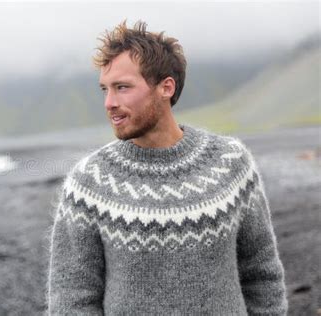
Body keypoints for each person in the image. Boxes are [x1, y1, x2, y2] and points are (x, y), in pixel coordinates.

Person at [47, 20, 288, 315]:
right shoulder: (88, 183)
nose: (109, 102)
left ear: (166, 87)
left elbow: (262, 274)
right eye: (105, 89)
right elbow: (71, 298)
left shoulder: (231, 163)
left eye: (122, 87)